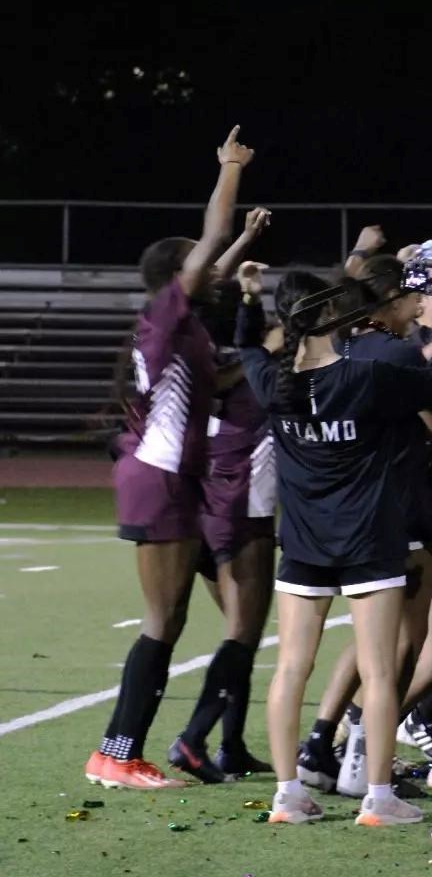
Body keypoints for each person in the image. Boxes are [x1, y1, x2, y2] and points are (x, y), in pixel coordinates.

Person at [239, 264, 432, 826]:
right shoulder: (366, 378)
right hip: (369, 544)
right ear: (330, 316)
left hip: (305, 548)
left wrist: (247, 295)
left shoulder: (274, 382)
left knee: (291, 668)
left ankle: (288, 794)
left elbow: (246, 345)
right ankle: (379, 796)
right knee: (382, 673)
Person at [85, 126, 254, 790]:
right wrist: (230, 170)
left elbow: (221, 380)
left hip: (177, 479)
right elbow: (209, 245)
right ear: (175, 277)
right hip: (157, 479)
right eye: (199, 265)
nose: (211, 270)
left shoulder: (185, 331)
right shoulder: (164, 310)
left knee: (176, 617)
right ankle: (116, 753)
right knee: (163, 622)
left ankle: (124, 750)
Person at [170, 240, 280, 781]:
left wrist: (250, 291)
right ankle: (194, 739)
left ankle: (231, 745)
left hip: (210, 501)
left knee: (244, 632)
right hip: (240, 504)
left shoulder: (205, 353)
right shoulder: (247, 372)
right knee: (242, 632)